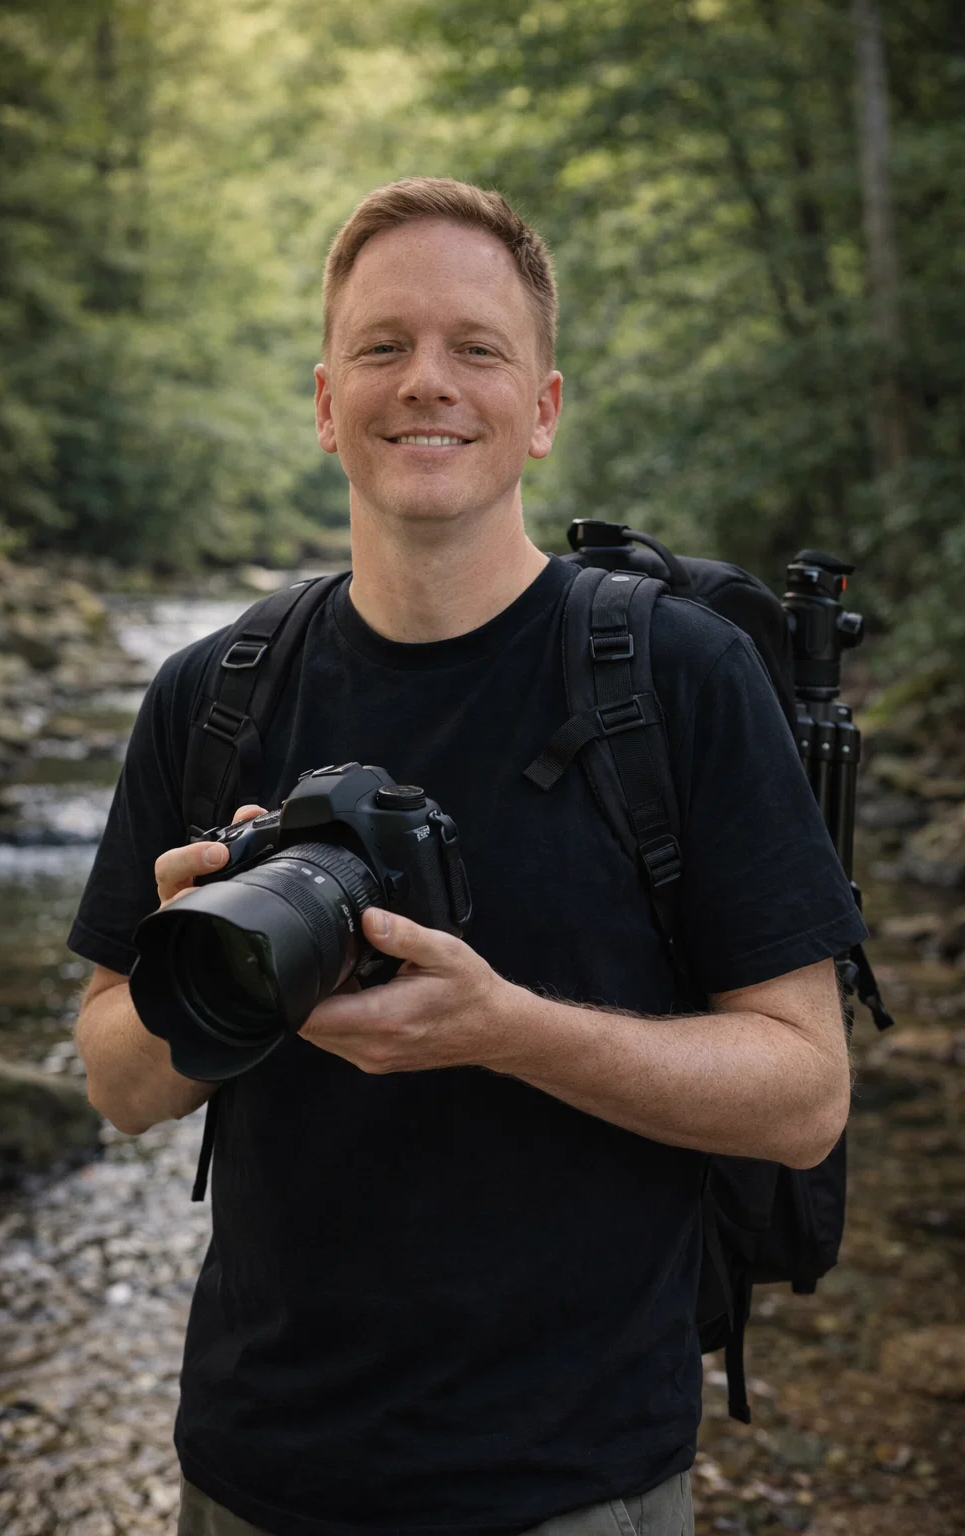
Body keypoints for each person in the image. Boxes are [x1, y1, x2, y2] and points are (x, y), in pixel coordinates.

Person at [70, 178, 867, 1536]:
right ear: (327, 403)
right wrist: (204, 978)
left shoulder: (676, 680)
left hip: (572, 1480)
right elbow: (118, 1086)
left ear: (541, 409)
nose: (425, 382)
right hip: (257, 1464)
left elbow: (803, 1097)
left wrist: (503, 1030)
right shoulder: (216, 692)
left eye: (476, 348)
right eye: (382, 346)